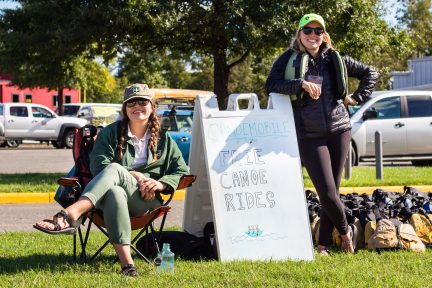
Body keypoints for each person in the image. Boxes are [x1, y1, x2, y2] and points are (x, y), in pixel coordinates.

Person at [34, 83, 189, 276]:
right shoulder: (111, 133)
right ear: (125, 108)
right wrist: (135, 175)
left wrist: (160, 184)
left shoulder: (164, 139)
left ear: (152, 107)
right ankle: (128, 266)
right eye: (131, 103)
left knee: (115, 168)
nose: (136, 106)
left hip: (146, 201)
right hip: (110, 201)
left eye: (142, 101)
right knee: (115, 190)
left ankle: (71, 214)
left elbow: (182, 170)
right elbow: (98, 167)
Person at [265, 14, 378, 255]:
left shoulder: (334, 58)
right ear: (299, 34)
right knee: (326, 192)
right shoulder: (288, 59)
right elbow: (271, 85)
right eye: (308, 30)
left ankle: (323, 245)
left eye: (318, 31)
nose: (313, 35)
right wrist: (300, 84)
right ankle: (346, 232)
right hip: (309, 134)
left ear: (324, 34)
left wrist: (357, 98)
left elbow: (371, 73)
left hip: (340, 129)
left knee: (332, 191)